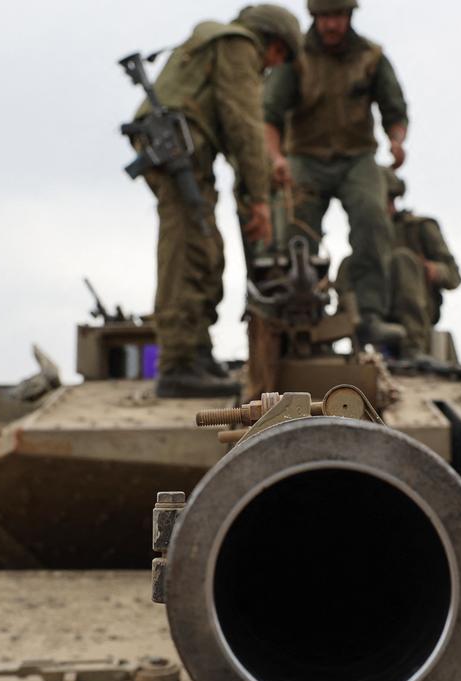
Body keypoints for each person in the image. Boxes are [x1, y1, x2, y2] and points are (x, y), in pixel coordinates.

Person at [134, 4, 302, 398]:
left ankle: (195, 355)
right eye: (279, 56)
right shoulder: (240, 46)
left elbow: (233, 131)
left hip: (182, 150)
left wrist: (264, 167)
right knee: (188, 249)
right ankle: (178, 364)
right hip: (176, 152)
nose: (273, 66)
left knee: (205, 246)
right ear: (272, 41)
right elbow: (241, 123)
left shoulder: (220, 42)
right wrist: (259, 199)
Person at [263, 0, 409, 346]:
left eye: (338, 16)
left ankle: (370, 314)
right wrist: (276, 158)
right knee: (295, 235)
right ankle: (300, 318)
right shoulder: (295, 57)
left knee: (373, 219)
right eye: (325, 17)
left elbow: (395, 109)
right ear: (314, 17)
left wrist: (397, 140)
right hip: (304, 157)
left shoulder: (371, 56)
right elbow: (269, 114)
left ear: (350, 16)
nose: (331, 25)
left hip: (357, 157)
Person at [381, 167, 461, 359]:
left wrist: (432, 270)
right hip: (378, 314)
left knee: (402, 260)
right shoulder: (368, 235)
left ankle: (412, 345)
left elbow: (453, 275)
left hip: (418, 313)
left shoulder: (419, 228)